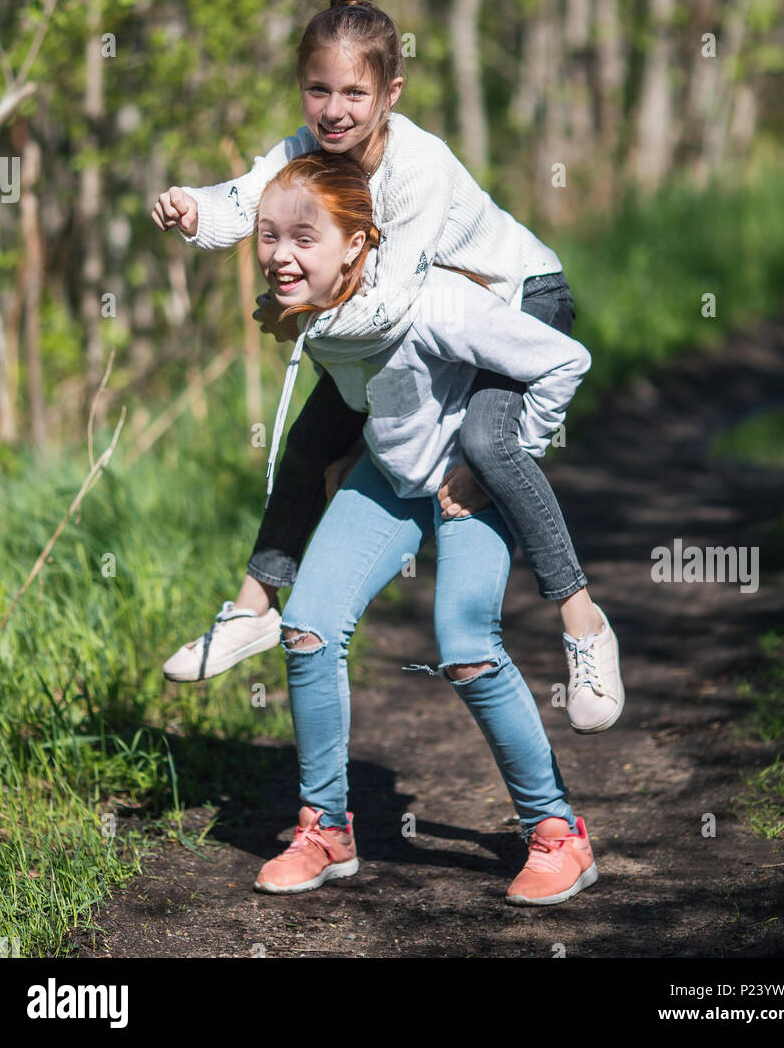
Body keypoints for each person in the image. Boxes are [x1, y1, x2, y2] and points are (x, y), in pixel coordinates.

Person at [155, 0, 623, 733]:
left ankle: (583, 622)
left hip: (516, 297)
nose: (333, 110)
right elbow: (245, 202)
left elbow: (394, 305)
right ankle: (252, 609)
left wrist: (294, 316)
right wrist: (193, 211)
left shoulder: (419, 168)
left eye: (353, 93)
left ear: (390, 93)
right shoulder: (306, 151)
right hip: (408, 326)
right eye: (317, 90)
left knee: (488, 441)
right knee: (312, 441)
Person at [246, 151, 598, 905]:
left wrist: (495, 456)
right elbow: (365, 386)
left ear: (359, 242)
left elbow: (565, 361)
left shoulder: (434, 302)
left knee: (466, 647)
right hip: (389, 476)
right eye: (268, 236)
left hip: (468, 483)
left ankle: (557, 833)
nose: (280, 255)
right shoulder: (312, 310)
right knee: (305, 627)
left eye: (303, 238)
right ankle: (326, 829)